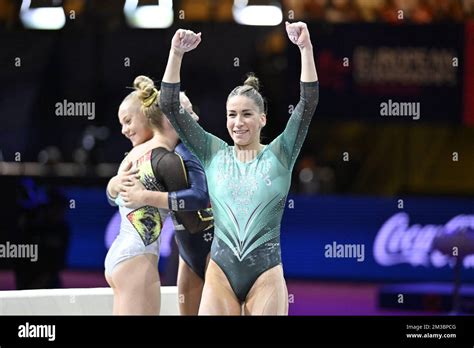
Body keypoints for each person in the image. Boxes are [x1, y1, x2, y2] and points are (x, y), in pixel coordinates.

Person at [159, 21, 319, 315]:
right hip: (220, 273)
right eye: (232, 114)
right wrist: (176, 53)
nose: (238, 122)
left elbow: (307, 103)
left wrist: (305, 48)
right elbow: (169, 105)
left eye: (247, 114)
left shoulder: (280, 154)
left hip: (266, 273)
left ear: (263, 119)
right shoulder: (212, 152)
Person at [104, 75, 213, 315]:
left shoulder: (134, 154)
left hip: (121, 255)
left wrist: (112, 186)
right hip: (137, 259)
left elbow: (114, 195)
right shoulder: (168, 160)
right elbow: (193, 222)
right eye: (186, 113)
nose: (194, 119)